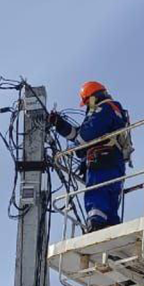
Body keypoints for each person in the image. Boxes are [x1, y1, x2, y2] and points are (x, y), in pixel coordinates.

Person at [50, 80, 131, 232]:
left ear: (93, 98)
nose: (88, 107)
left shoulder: (103, 109)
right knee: (110, 200)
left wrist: (79, 149)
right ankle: (111, 230)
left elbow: (84, 137)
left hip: (102, 162)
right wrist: (60, 124)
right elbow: (79, 135)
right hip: (114, 163)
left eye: (88, 103)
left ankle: (95, 224)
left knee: (96, 194)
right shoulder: (114, 110)